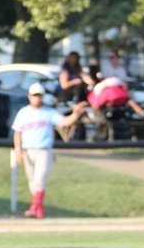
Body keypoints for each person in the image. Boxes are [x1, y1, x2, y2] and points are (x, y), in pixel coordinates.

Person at [12, 83, 88, 218]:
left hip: (44, 151)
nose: (37, 98)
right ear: (29, 96)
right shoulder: (23, 113)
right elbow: (17, 131)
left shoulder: (48, 112)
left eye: (39, 95)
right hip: (28, 150)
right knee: (32, 181)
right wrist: (18, 149)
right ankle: (39, 208)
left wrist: (76, 114)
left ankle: (34, 207)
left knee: (40, 179)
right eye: (34, 95)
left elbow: (66, 122)